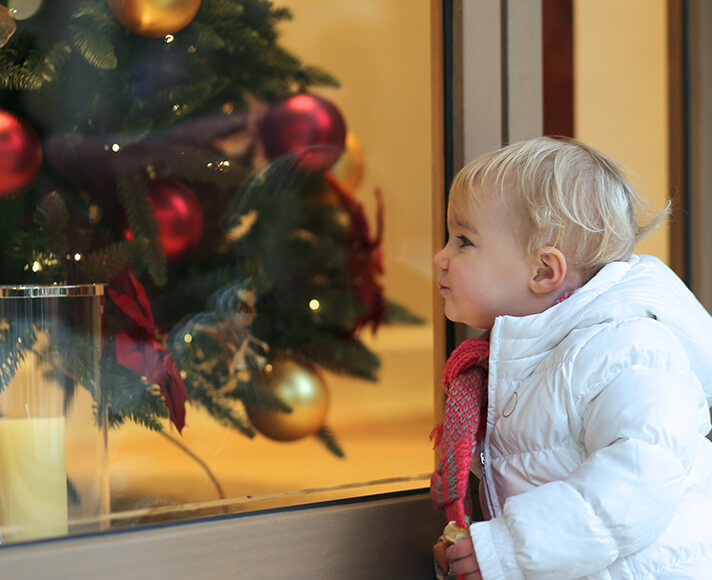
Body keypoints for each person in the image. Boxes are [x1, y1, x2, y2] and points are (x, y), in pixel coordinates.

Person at [430, 136, 712, 579]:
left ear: (544, 271)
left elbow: (638, 484)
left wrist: (509, 548)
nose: (441, 257)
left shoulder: (627, 349)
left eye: (463, 241)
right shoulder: (534, 358)